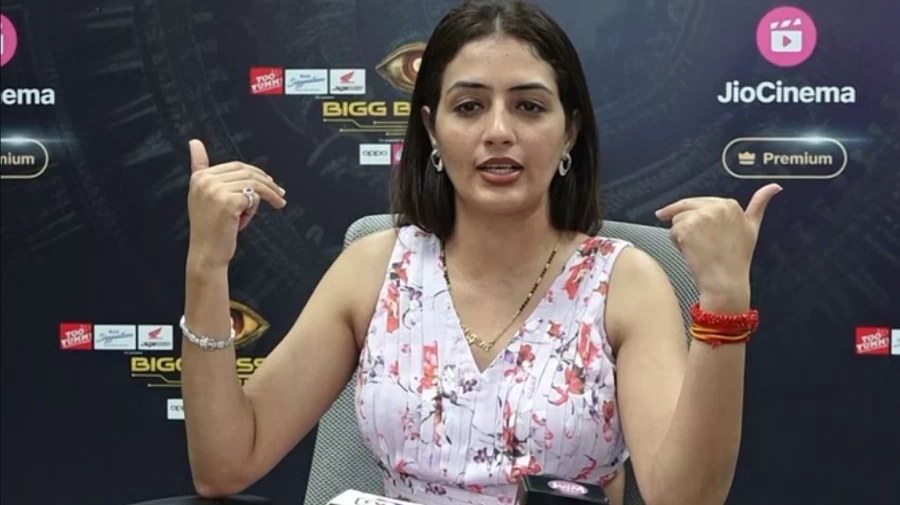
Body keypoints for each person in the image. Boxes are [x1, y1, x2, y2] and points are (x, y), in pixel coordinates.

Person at [180, 1, 780, 505]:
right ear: (432, 130)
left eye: (528, 106)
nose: (498, 131)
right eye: (469, 106)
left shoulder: (624, 281)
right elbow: (227, 465)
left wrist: (725, 301)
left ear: (570, 131)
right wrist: (206, 265)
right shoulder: (373, 267)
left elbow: (685, 498)